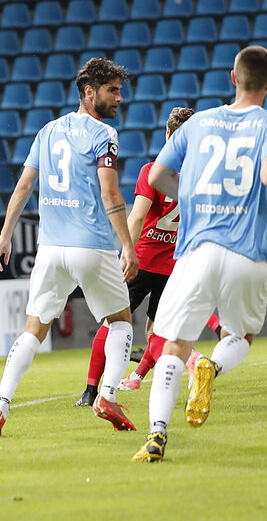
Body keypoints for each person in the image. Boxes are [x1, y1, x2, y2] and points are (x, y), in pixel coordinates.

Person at [134, 46, 267, 462]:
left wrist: (191, 196)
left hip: (195, 251)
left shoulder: (199, 122)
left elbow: (158, 175)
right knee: (240, 335)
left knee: (173, 345)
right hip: (248, 253)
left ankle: (156, 438)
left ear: (232, 77)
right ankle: (213, 368)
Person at [0, 58, 138, 437]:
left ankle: (1, 403)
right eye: (112, 90)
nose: (119, 98)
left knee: (33, 330)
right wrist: (127, 245)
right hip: (91, 246)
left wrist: (5, 236)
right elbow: (110, 192)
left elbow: (23, 188)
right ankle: (108, 395)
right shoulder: (105, 134)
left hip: (50, 248)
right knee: (121, 322)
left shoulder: (48, 132)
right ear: (89, 92)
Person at [75, 107, 222, 405]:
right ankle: (160, 371)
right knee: (157, 331)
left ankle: (92, 392)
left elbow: (138, 216)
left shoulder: (151, 171)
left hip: (141, 262)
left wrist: (125, 251)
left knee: (111, 322)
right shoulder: (200, 178)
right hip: (173, 267)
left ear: (168, 136)